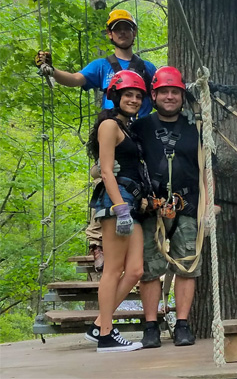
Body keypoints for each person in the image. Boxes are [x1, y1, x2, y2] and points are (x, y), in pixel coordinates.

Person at [34, 9, 157, 271]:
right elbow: (77, 79)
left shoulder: (147, 68)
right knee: (106, 173)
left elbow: (162, 92)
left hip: (140, 132)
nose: (123, 32)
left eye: (127, 28)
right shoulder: (102, 66)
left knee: (139, 178)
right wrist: (52, 71)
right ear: (110, 34)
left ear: (134, 33)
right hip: (114, 128)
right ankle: (97, 239)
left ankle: (138, 230)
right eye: (118, 29)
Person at [131, 66, 204, 348]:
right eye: (164, 92)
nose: (170, 97)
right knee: (150, 267)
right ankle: (151, 326)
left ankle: (182, 324)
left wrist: (208, 207)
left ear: (182, 96)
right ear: (155, 95)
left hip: (187, 205)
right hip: (152, 208)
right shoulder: (140, 128)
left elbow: (206, 168)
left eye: (175, 92)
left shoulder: (195, 128)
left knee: (188, 264)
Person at [85, 70, 148, 352]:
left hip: (130, 202)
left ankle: (100, 324)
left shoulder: (126, 128)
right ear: (115, 96)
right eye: (128, 95)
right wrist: (120, 208)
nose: (133, 99)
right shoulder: (109, 126)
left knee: (135, 270)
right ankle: (107, 335)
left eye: (138, 96)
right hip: (116, 202)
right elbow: (106, 170)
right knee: (113, 269)